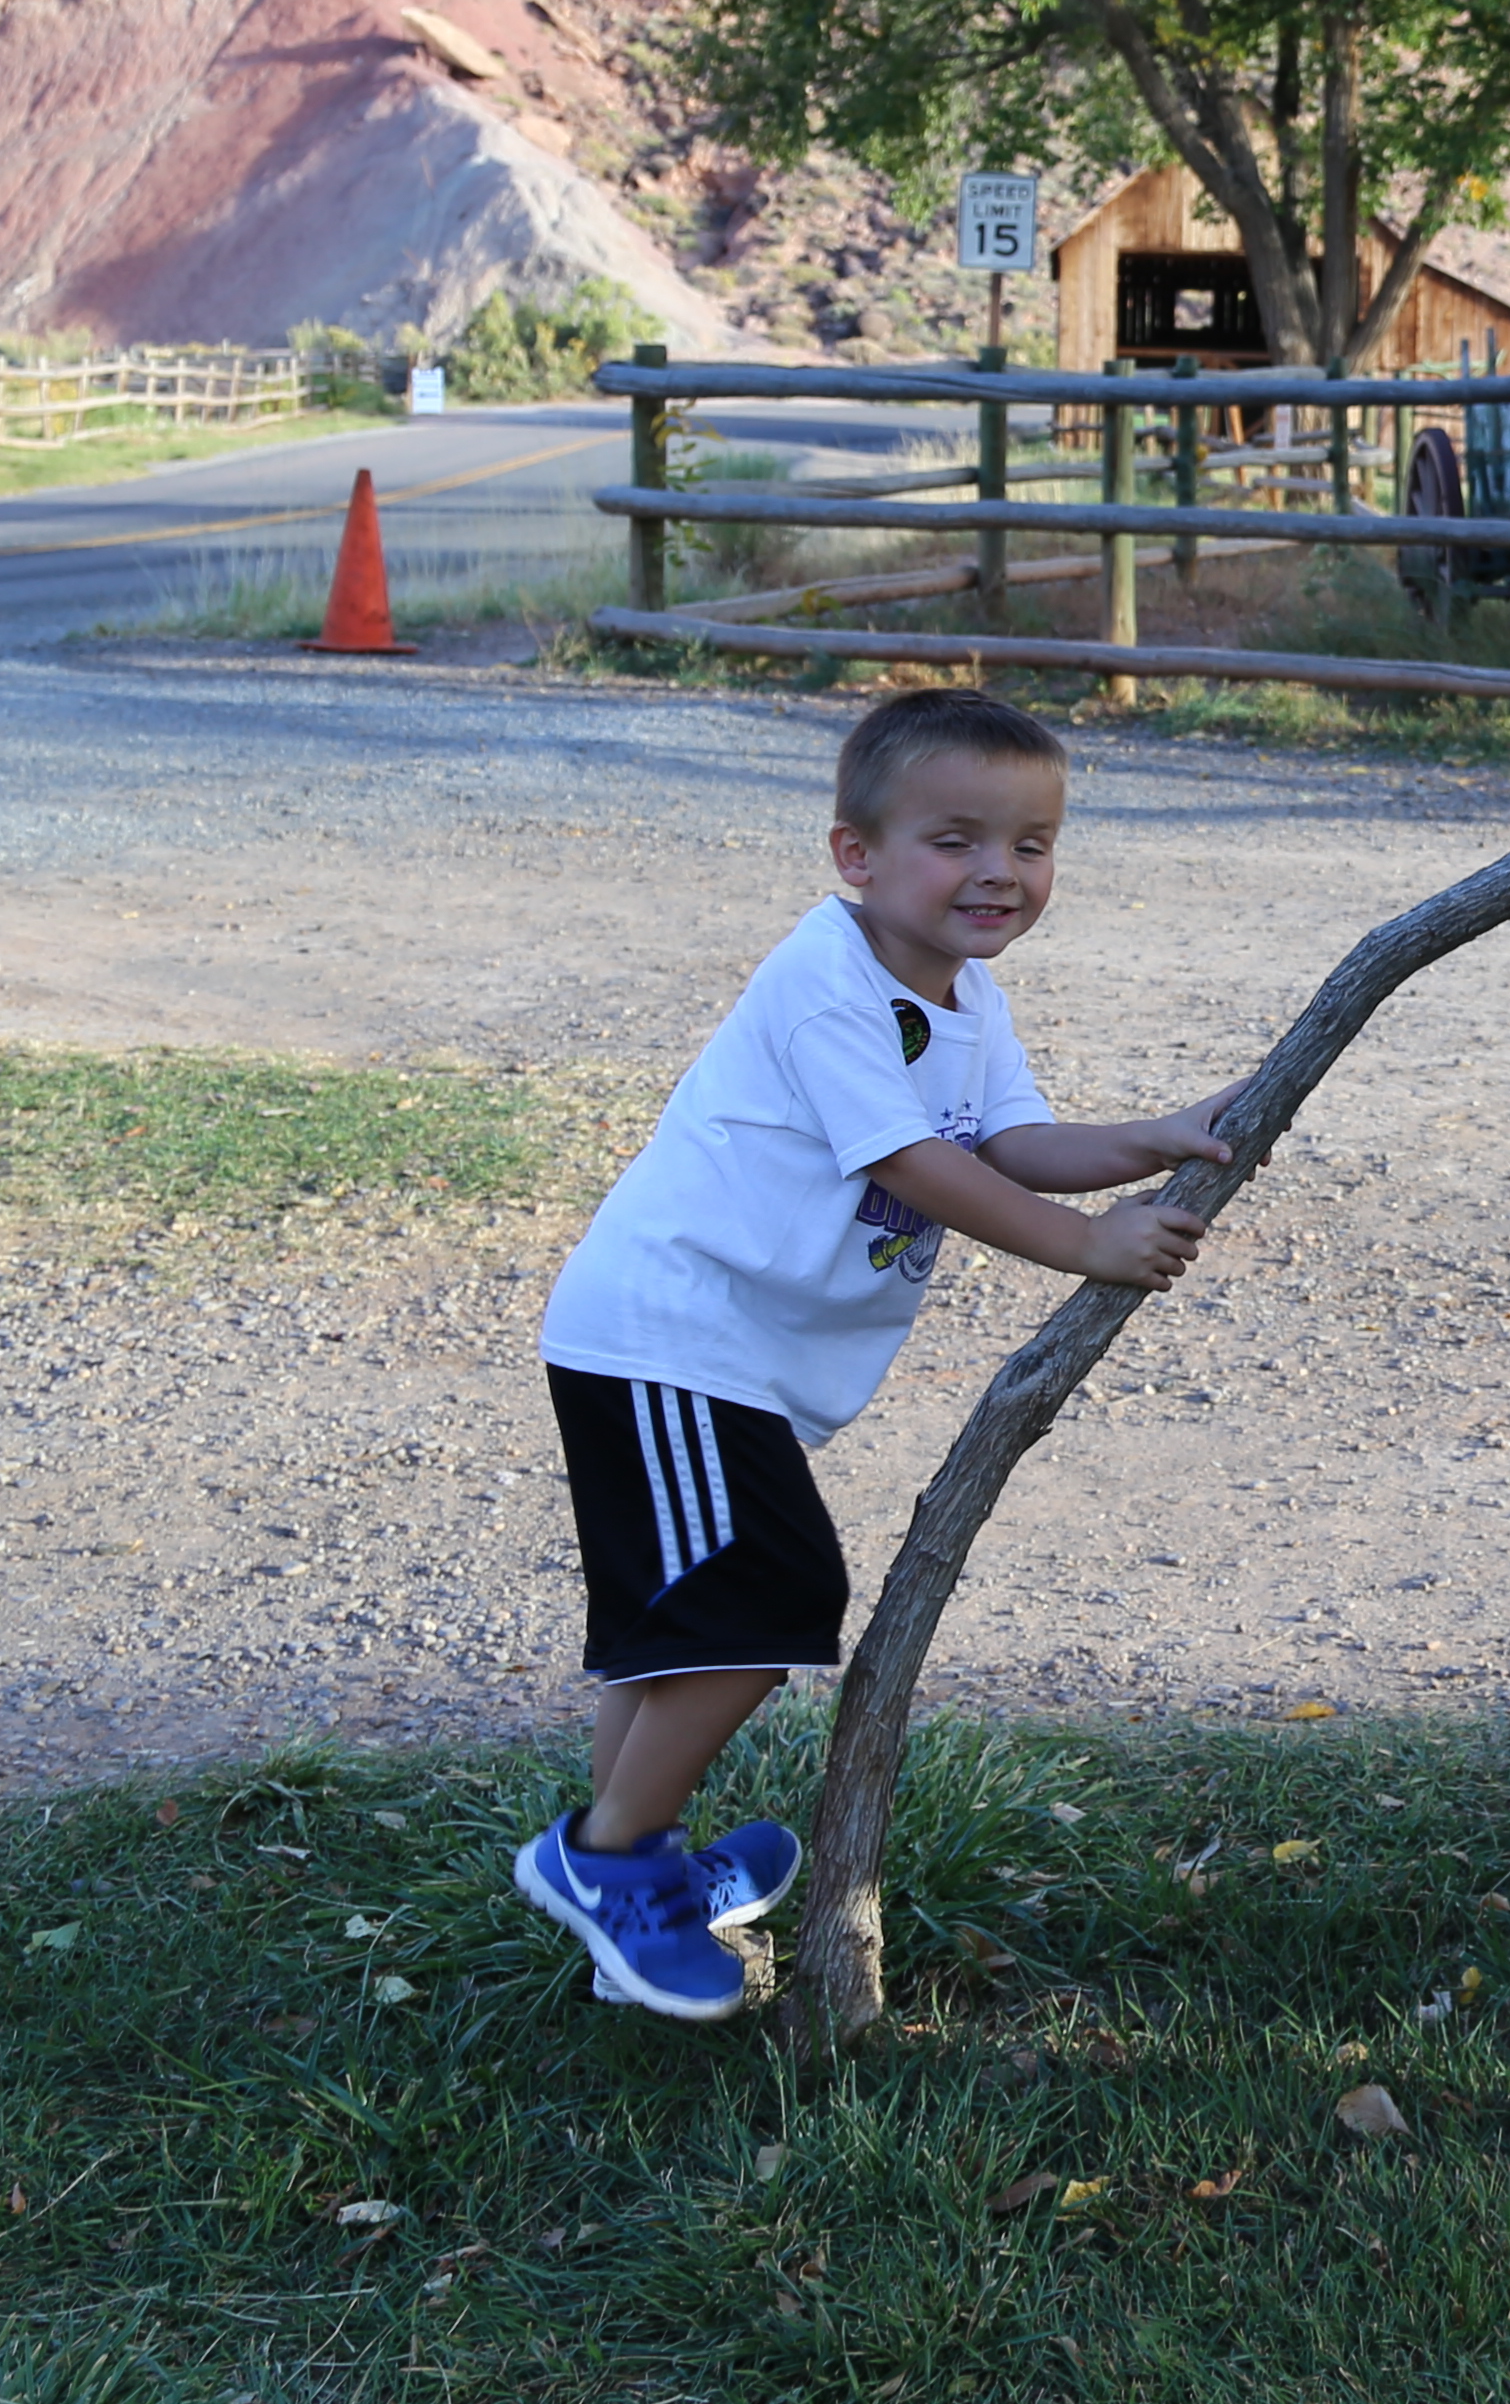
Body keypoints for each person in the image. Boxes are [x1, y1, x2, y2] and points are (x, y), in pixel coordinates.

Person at [514, 684, 1246, 2021]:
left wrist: (1148, 1137)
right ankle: (606, 1859)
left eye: (1031, 845)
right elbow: (912, 1160)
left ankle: (637, 1855)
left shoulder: (964, 1004)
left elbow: (1003, 1141)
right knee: (761, 1604)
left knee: (675, 1633)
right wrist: (1083, 1247)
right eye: (956, 839)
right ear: (857, 855)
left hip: (724, 1357)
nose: (999, 873)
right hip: (673, 1333)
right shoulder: (825, 981)